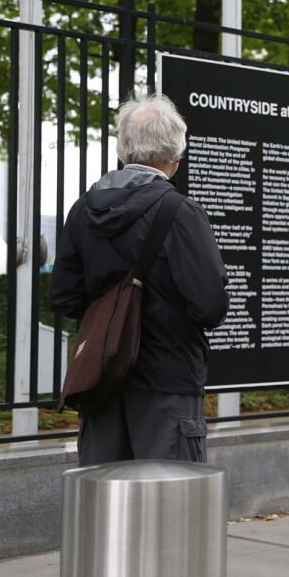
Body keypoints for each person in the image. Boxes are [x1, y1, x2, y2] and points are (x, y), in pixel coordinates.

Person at [50, 92, 229, 465]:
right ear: (175, 157)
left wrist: (111, 323)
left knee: (105, 502)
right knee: (172, 503)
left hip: (102, 380)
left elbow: (65, 298)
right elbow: (210, 306)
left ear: (124, 150)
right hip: (168, 380)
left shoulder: (83, 211)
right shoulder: (181, 212)